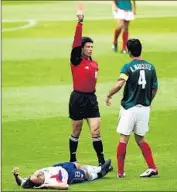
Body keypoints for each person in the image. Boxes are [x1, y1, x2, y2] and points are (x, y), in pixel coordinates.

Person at [105, 39, 158, 178]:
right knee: (141, 139)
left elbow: (119, 84)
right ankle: (152, 167)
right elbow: (154, 88)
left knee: (123, 139)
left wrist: (109, 95)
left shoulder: (128, 67)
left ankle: (120, 172)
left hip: (130, 108)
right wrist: (148, 101)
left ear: (129, 51)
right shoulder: (151, 67)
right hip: (144, 108)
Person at [69, 11, 112, 171]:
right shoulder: (76, 60)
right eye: (88, 46)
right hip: (77, 98)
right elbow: (75, 43)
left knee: (96, 129)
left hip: (91, 99)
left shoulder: (95, 64)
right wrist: (80, 23)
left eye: (92, 46)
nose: (90, 49)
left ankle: (102, 162)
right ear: (82, 48)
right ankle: (72, 159)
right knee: (77, 129)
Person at [12, 159, 112, 190]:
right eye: (38, 176)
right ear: (39, 182)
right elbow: (66, 186)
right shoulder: (49, 182)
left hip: (60, 166)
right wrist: (47, 186)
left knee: (77, 164)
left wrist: (16, 176)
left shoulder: (33, 178)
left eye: (36, 174)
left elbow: (22, 182)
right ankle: (101, 171)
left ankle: (101, 169)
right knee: (84, 173)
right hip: (69, 176)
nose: (38, 173)